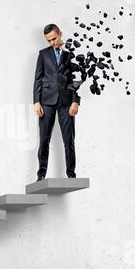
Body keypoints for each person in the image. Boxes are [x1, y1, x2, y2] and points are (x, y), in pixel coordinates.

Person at [33, 24, 81, 182]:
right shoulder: (43, 54)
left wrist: (75, 101)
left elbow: (76, 79)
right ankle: (41, 175)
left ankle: (71, 174)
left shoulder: (70, 54)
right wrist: (36, 101)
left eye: (54, 38)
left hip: (67, 102)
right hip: (47, 101)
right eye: (49, 41)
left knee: (69, 139)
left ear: (60, 34)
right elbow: (38, 79)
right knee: (44, 139)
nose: (52, 43)